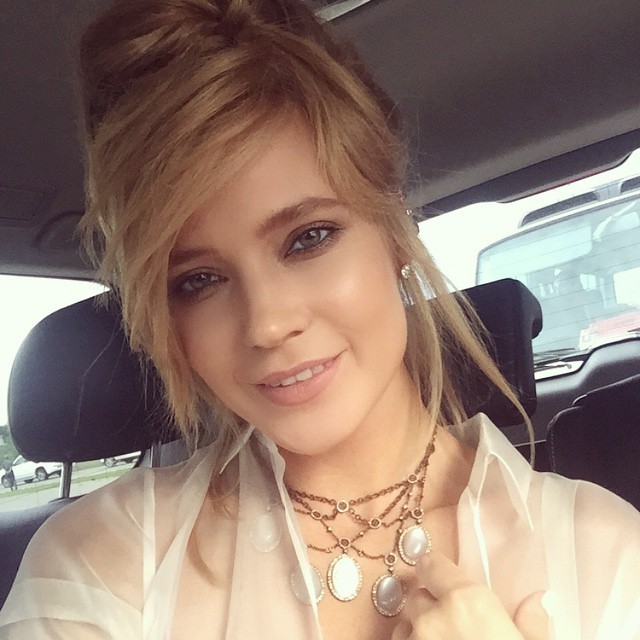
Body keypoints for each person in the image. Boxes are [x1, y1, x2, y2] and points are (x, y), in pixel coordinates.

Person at [1, 0, 639, 638]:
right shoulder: (98, 564)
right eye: (198, 280)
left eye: (308, 238)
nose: (267, 324)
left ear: (394, 228)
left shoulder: (605, 555)